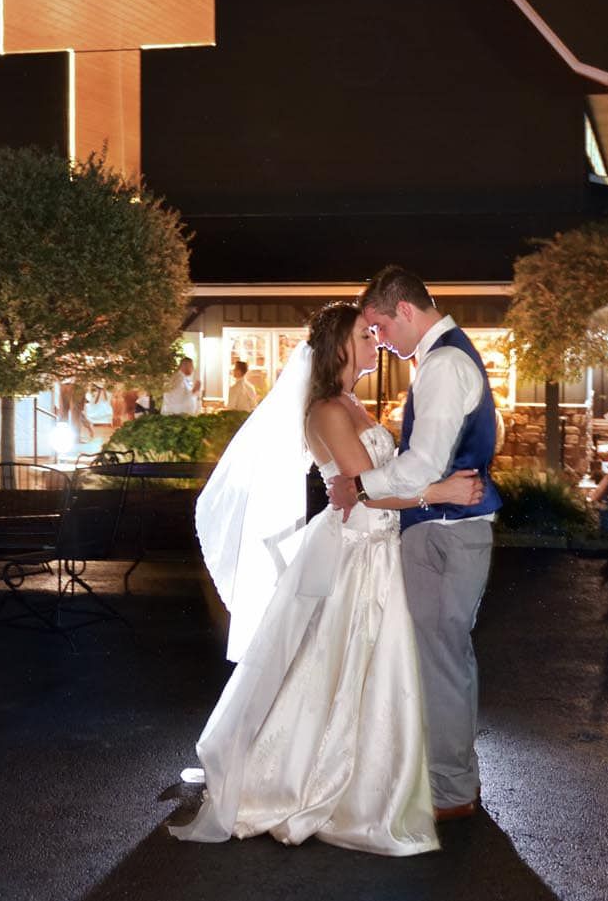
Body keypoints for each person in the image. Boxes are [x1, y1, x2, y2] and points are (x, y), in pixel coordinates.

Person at [174, 302, 484, 854]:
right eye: (367, 335)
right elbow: (368, 485)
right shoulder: (326, 411)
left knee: (370, 670)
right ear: (340, 346)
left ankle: (376, 778)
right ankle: (308, 783)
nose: (377, 342)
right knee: (338, 667)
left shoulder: (352, 403)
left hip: (378, 545)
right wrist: (440, 493)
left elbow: (371, 481)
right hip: (356, 550)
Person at [328, 266, 504, 824]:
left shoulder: (445, 364)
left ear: (403, 310)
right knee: (440, 656)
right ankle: (445, 780)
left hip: (446, 534)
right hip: (443, 527)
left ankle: (450, 790)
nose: (380, 340)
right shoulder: (444, 358)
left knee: (440, 659)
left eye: (379, 327)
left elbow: (424, 462)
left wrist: (359, 486)